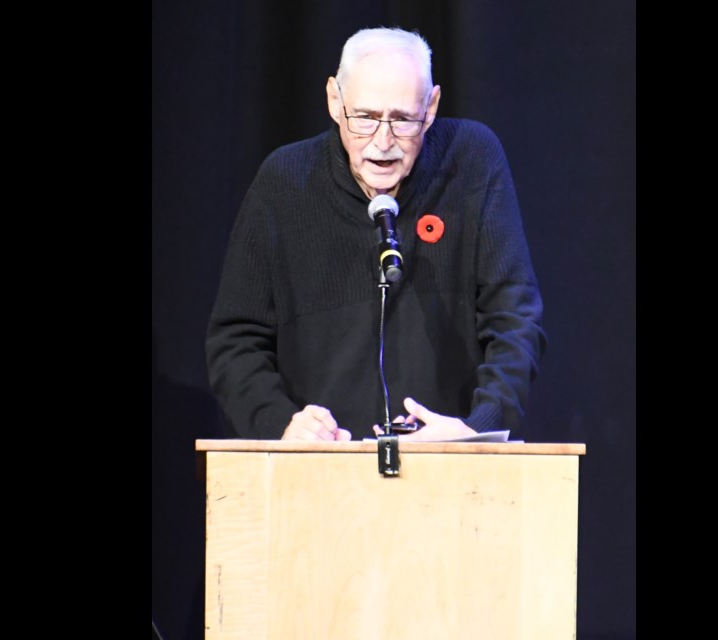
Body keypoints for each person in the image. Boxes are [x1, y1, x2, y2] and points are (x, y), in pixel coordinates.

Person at [206, 26, 545, 442]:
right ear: (334, 100)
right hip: (320, 475)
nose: (382, 142)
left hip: (451, 472)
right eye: (364, 118)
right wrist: (282, 425)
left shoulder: (472, 160)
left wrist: (476, 431)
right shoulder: (283, 181)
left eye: (403, 120)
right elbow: (235, 341)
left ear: (432, 106)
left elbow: (515, 320)